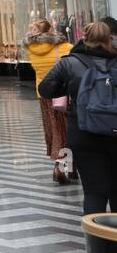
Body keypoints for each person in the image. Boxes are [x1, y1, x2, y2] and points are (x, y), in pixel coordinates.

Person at [39, 21, 117, 213]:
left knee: (94, 193)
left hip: (84, 134)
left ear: (84, 37)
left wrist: (70, 87)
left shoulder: (70, 62)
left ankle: (97, 242)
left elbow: (45, 89)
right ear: (109, 39)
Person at [26, 18, 73, 185]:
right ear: (51, 30)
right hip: (62, 95)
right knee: (66, 132)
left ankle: (70, 168)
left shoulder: (32, 50)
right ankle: (60, 167)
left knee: (54, 132)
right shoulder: (65, 47)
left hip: (44, 96)